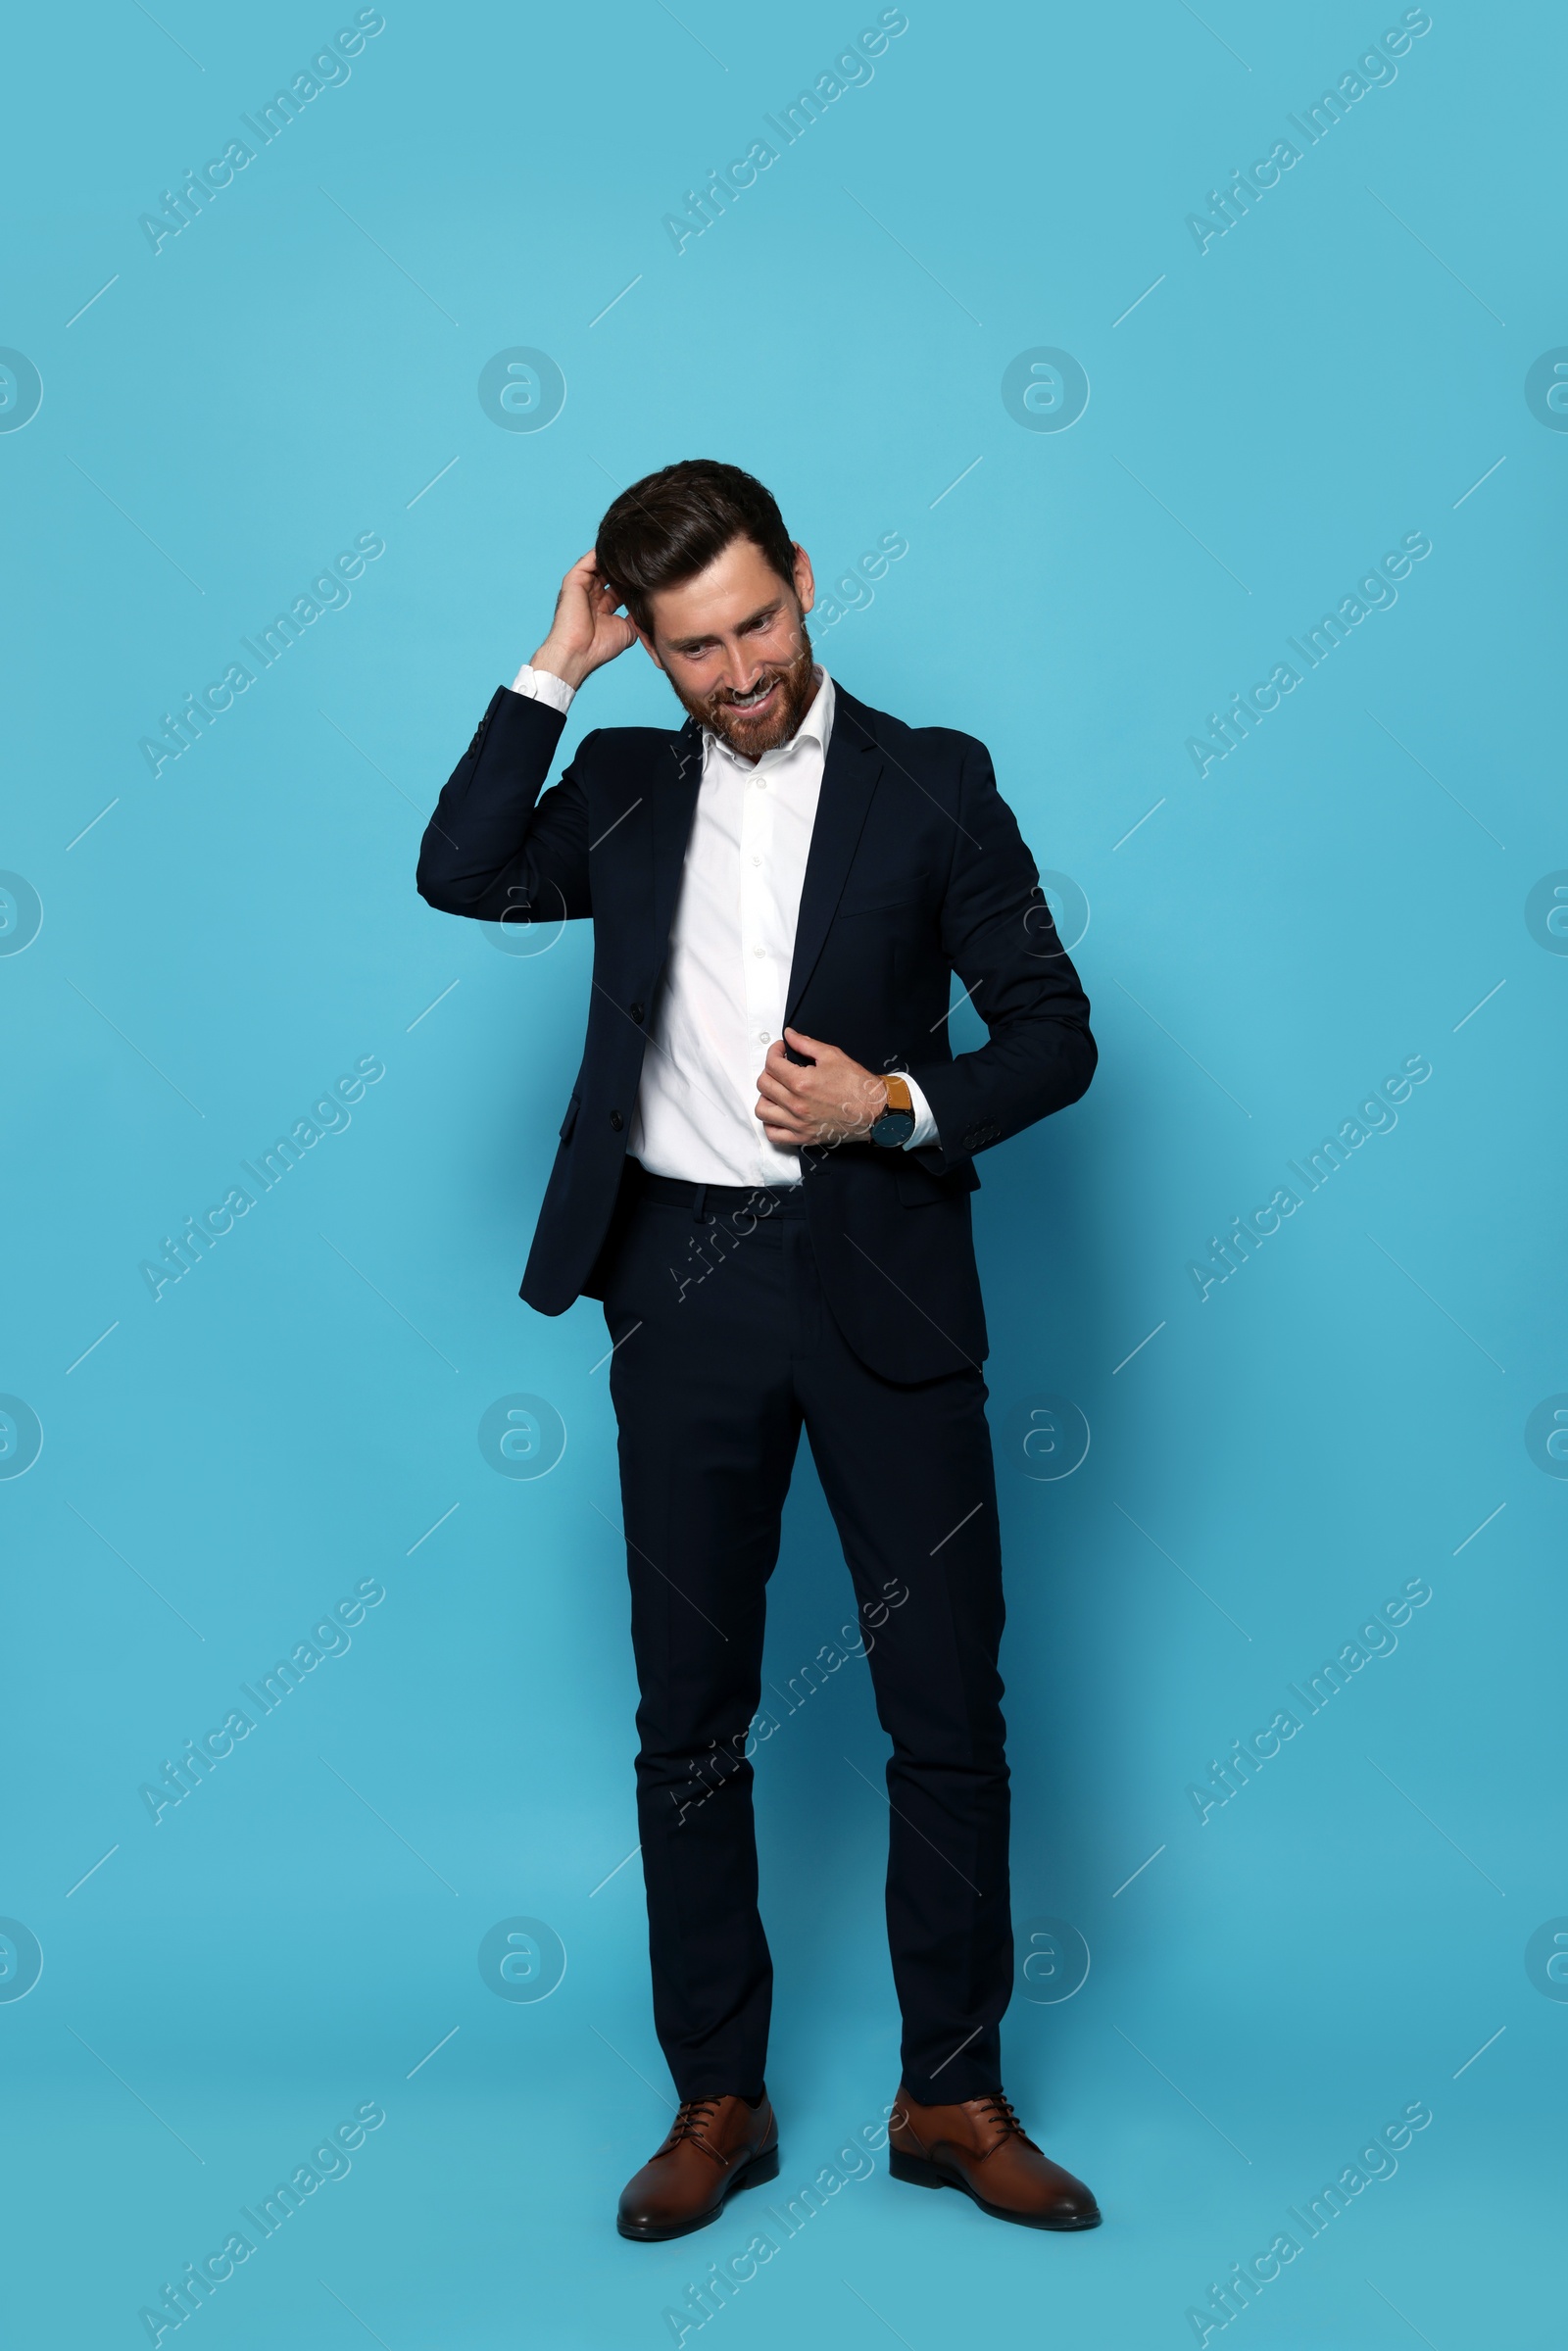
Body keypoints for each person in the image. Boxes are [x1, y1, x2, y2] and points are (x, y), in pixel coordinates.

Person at [416, 460, 1101, 2240]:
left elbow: (1053, 1035)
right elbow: (459, 870)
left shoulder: (932, 782)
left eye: (761, 626)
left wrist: (890, 1101)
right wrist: (555, 666)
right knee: (690, 1724)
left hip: (882, 1278)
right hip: (683, 1291)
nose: (741, 675)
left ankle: (952, 2094)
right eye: (695, 648)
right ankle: (715, 2095)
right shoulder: (624, 782)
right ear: (651, 644)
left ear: (806, 577)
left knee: (947, 1710)